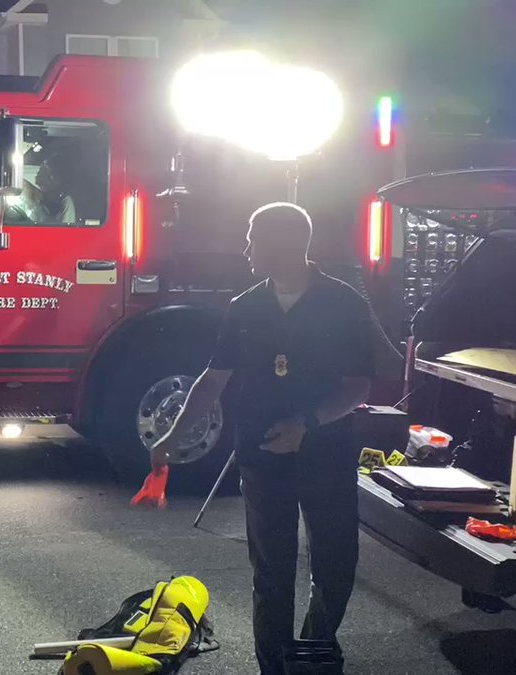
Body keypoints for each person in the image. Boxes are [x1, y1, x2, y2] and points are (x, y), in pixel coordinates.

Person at [150, 202, 375, 675]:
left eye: (253, 237)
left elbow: (358, 387)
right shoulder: (245, 307)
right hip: (261, 460)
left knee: (334, 569)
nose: (246, 247)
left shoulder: (344, 304)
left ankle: (312, 656)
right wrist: (170, 437)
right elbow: (213, 380)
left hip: (326, 456)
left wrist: (306, 424)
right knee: (273, 576)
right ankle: (274, 668)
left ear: (286, 243)